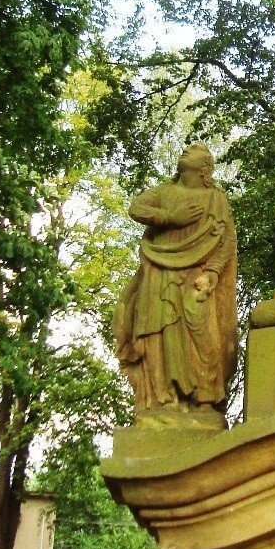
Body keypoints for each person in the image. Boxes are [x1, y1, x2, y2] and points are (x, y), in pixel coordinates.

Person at [114, 143, 237, 421]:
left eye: (194, 151)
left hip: (197, 273)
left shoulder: (215, 199)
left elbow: (226, 241)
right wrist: (169, 218)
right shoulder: (164, 192)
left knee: (200, 330)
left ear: (205, 167)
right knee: (155, 333)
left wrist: (213, 273)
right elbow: (136, 208)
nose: (186, 150)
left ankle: (205, 399)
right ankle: (161, 400)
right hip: (159, 270)